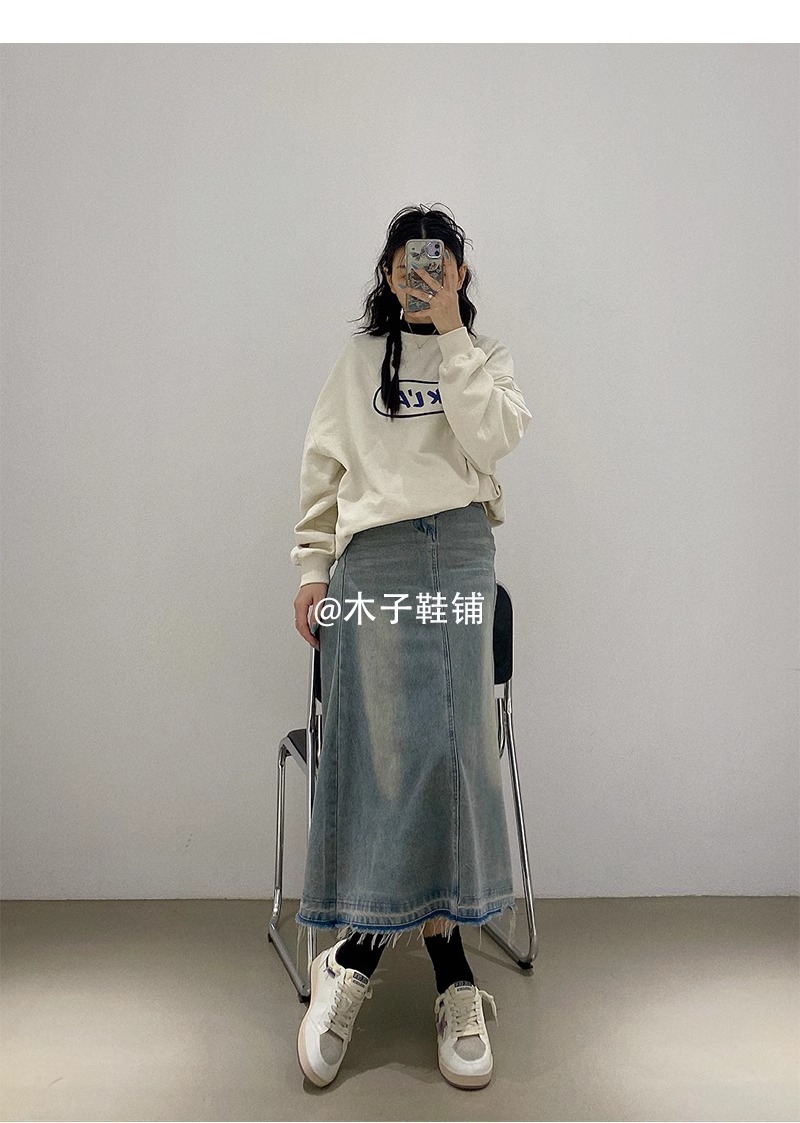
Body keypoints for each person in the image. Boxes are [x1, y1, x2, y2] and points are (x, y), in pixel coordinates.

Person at [290, 205, 532, 1089]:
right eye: (406, 262)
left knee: (457, 751)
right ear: (387, 273)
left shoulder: (484, 356)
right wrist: (311, 567)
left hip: (461, 553)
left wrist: (453, 334)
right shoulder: (359, 362)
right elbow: (323, 468)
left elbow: (493, 437)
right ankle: (358, 947)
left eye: (437, 262)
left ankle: (446, 961)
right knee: (384, 751)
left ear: (458, 272)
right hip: (377, 560)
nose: (419, 274)